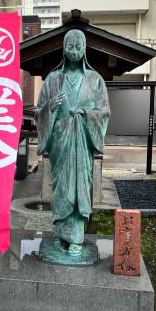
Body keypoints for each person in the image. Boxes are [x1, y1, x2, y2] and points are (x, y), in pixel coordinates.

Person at [35, 29, 110, 257]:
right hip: (60, 142)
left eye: (79, 47)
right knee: (61, 190)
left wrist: (86, 114)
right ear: (63, 49)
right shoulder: (53, 78)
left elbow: (105, 112)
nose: (74, 52)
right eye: (70, 47)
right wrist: (51, 107)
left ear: (85, 49)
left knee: (79, 190)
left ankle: (76, 239)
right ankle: (59, 236)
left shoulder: (95, 80)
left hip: (82, 143)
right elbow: (39, 113)